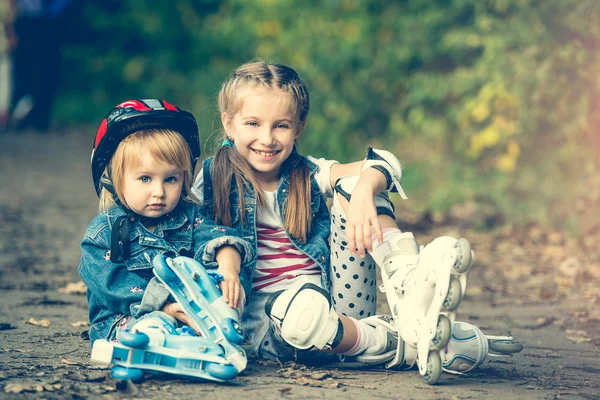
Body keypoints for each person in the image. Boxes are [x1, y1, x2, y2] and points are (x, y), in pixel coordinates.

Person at [190, 62, 488, 381]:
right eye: (252, 123)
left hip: (342, 303)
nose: (267, 138)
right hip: (275, 328)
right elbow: (203, 240)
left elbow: (385, 163)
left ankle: (405, 278)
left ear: (298, 128)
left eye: (281, 126)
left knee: (357, 183)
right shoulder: (212, 180)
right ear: (229, 124)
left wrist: (363, 189)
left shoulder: (306, 173)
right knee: (302, 314)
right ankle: (404, 340)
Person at [79, 99, 255, 346]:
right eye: (145, 179)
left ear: (185, 177)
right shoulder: (103, 233)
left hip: (190, 314)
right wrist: (165, 307)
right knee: (150, 324)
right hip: (127, 318)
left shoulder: (190, 216)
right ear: (115, 178)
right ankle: (152, 339)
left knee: (229, 275)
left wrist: (228, 267)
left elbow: (216, 236)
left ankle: (219, 327)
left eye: (170, 179)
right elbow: (112, 288)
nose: (159, 191)